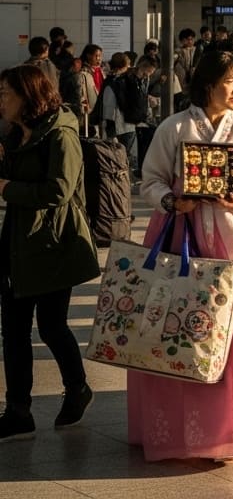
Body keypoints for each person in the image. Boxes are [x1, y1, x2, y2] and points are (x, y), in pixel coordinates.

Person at [131, 50, 233, 460]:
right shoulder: (176, 127)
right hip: (183, 236)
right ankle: (180, 429)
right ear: (207, 84)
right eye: (229, 80)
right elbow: (149, 180)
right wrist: (172, 200)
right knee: (181, 329)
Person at [0, 65, 101, 442]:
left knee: (51, 326)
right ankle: (18, 410)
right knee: (12, 329)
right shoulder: (13, 133)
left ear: (28, 96)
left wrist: (8, 187)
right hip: (18, 242)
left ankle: (77, 388)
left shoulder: (61, 133)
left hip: (55, 243)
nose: (2, 100)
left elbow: (59, 190)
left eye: (6, 93)